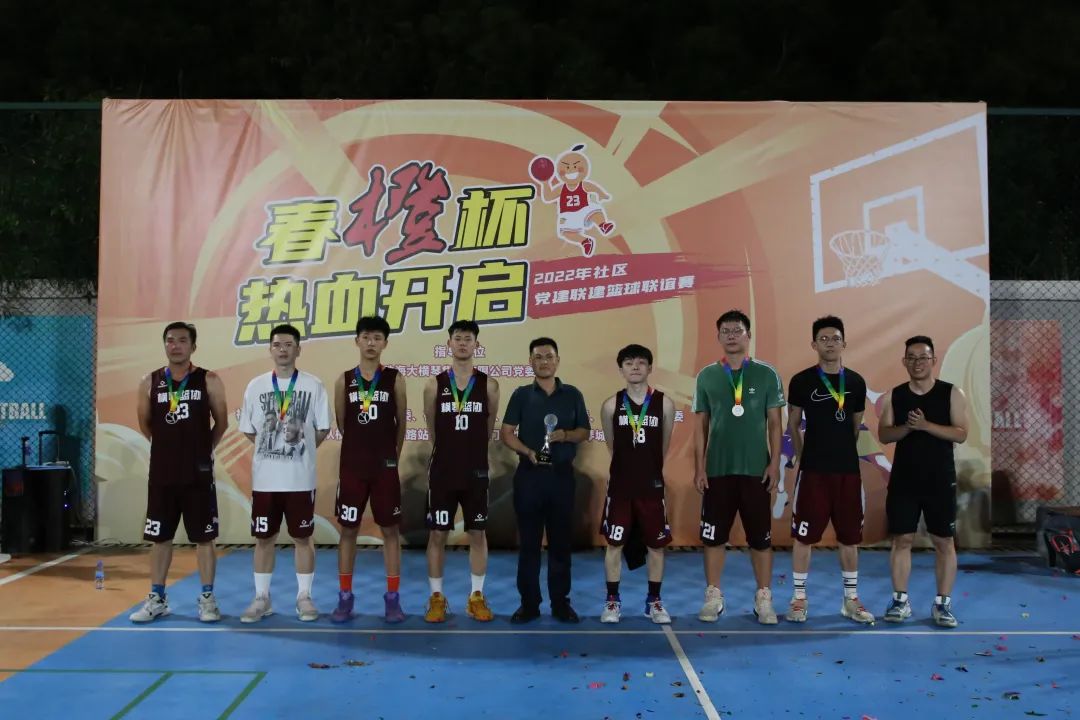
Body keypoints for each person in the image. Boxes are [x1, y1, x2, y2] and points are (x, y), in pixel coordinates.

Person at [130, 322, 228, 623]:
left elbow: (221, 422)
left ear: (193, 347)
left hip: (198, 473)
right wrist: (167, 449)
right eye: (170, 340)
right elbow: (145, 423)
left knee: (204, 538)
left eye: (182, 340)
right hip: (163, 473)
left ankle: (208, 598)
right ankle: (157, 597)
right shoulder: (149, 381)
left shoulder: (209, 379)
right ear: (165, 345)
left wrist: (202, 450)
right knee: (160, 537)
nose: (176, 345)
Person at [692, 309, 784, 624]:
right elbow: (700, 427)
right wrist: (700, 467)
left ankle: (764, 597)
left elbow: (775, 424)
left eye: (737, 330)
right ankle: (713, 594)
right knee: (713, 537)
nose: (732, 336)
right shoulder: (707, 376)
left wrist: (774, 463)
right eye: (726, 331)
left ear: (748, 335)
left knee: (761, 538)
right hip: (717, 470)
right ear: (718, 337)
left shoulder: (766, 374)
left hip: (756, 470)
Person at [238, 324, 331, 623]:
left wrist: (299, 451)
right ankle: (261, 597)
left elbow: (322, 428)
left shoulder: (314, 385)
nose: (282, 349)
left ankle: (304, 596)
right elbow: (249, 430)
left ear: (298, 349)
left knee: (303, 537)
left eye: (289, 344)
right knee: (264, 538)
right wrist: (273, 449)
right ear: (270, 349)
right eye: (277, 344)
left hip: (300, 480)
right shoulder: (256, 386)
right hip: (266, 480)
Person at [784, 316, 874, 624]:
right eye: (824, 339)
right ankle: (798, 598)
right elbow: (793, 424)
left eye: (835, 338)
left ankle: (851, 600)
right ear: (814, 344)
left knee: (849, 538)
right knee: (803, 537)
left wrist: (840, 450)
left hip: (847, 473)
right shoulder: (801, 381)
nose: (830, 343)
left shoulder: (856, 383)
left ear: (844, 343)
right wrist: (803, 456)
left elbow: (855, 426)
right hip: (813, 473)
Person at [878, 335, 969, 628]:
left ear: (933, 360)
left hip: (940, 480)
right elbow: (884, 434)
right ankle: (900, 600)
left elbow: (961, 433)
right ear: (904, 361)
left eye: (923, 357)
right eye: (912, 358)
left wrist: (926, 425)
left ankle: (942, 604)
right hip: (904, 480)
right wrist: (908, 427)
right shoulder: (894, 396)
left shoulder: (952, 393)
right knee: (902, 539)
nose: (918, 363)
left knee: (944, 541)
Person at [500, 337, 591, 623]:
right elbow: (506, 432)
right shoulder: (521, 395)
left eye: (549, 356)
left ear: (557, 360)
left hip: (561, 478)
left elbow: (584, 431)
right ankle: (529, 604)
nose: (544, 362)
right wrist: (527, 451)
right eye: (538, 357)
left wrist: (565, 435)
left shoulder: (572, 394)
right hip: (529, 477)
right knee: (529, 545)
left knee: (560, 544)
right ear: (530, 362)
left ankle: (560, 603)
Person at [331, 316, 407, 623]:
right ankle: (345, 596)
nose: (371, 343)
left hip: (384, 468)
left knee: (390, 531)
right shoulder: (344, 380)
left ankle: (393, 598)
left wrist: (392, 456)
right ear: (357, 341)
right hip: (353, 468)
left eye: (377, 338)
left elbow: (401, 423)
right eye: (366, 337)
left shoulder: (394, 379)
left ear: (385, 343)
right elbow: (342, 423)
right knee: (348, 530)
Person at [422, 320, 500, 622]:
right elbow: (432, 428)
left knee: (477, 533)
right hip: (443, 471)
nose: (463, 343)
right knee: (437, 534)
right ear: (449, 344)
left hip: (475, 471)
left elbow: (488, 428)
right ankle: (436, 598)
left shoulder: (489, 385)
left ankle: (476, 596)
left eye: (468, 339)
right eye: (458, 338)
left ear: (476, 345)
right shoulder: (434, 384)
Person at [597, 344, 674, 624]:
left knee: (656, 545)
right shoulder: (610, 405)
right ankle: (612, 601)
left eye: (641, 362)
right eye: (629, 363)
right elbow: (612, 445)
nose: (635, 367)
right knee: (614, 544)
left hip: (651, 488)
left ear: (650, 368)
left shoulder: (665, 404)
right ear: (621, 369)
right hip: (621, 488)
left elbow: (663, 446)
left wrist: (648, 470)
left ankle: (654, 601)